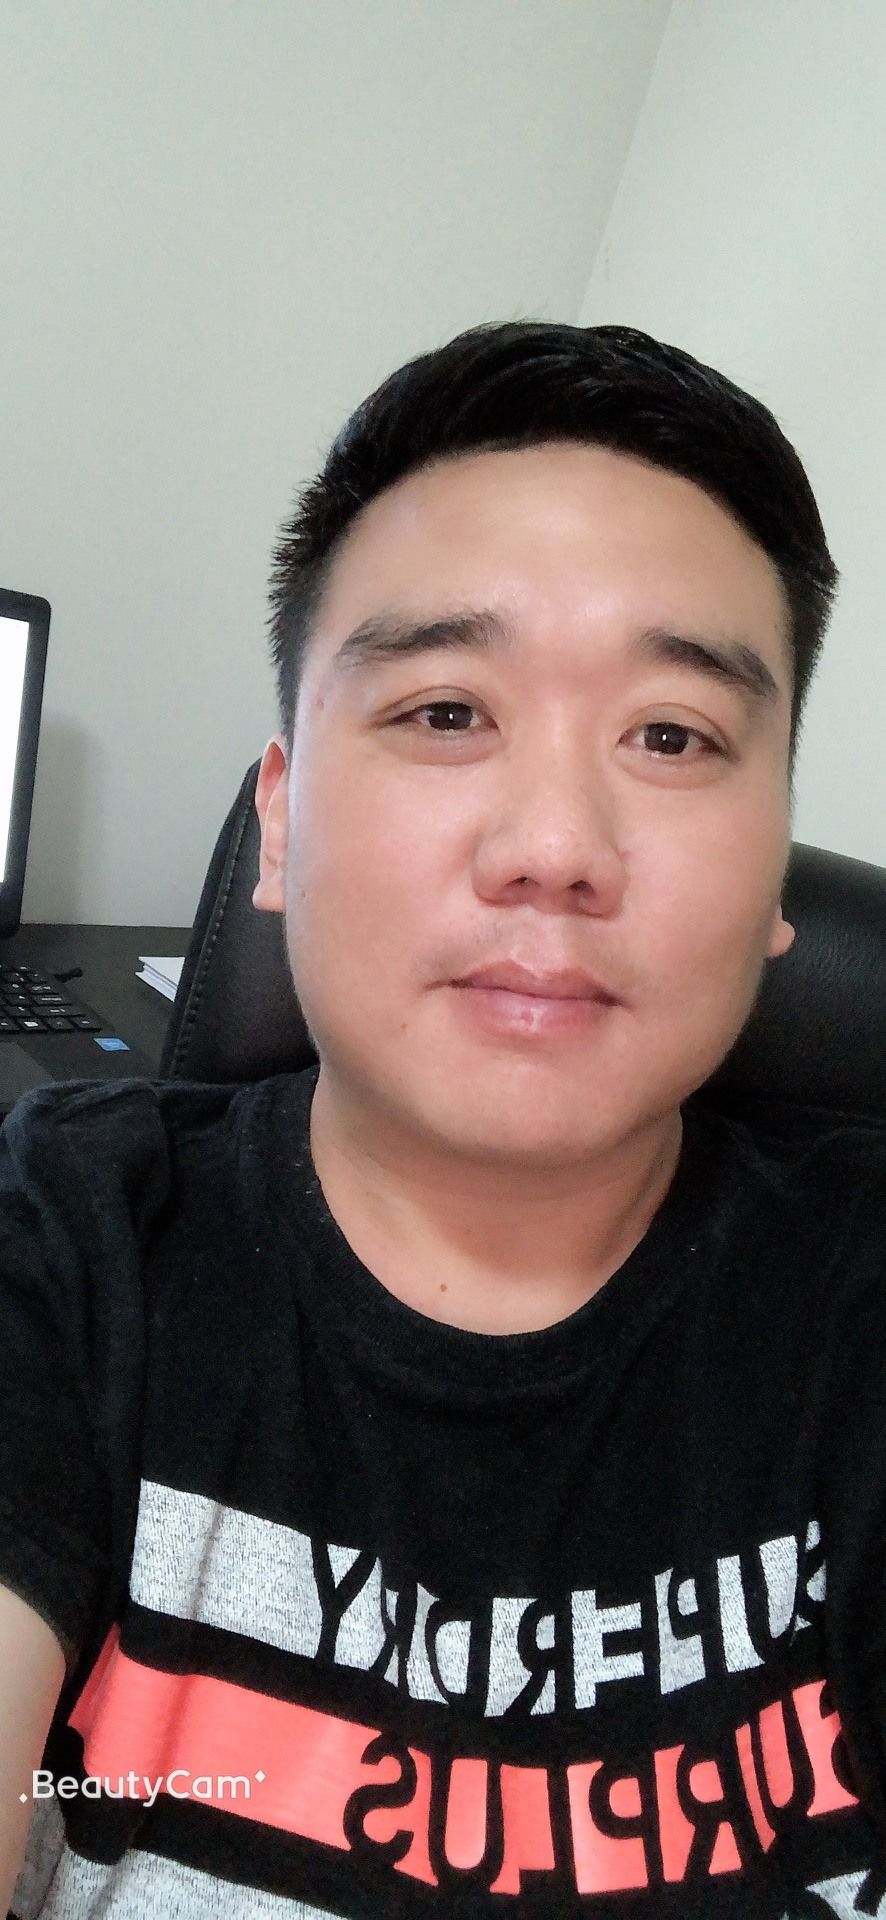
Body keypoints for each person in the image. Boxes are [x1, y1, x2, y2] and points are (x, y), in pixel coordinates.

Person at [0, 317, 882, 1920]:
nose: (554, 844)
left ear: (773, 869)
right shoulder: (72, 1238)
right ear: (280, 824)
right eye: (445, 712)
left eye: (671, 735)